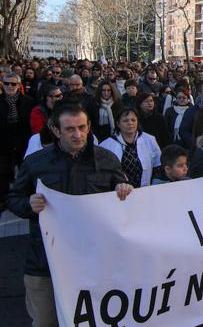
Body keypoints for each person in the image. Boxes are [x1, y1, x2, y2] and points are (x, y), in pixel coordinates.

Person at [7, 100, 133, 327]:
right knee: (46, 321)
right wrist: (28, 204)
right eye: (70, 129)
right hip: (45, 263)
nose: (78, 134)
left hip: (94, 261)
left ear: (89, 126)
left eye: (82, 127)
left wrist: (123, 190)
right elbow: (13, 199)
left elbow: (123, 192)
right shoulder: (36, 163)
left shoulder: (106, 159)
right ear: (56, 130)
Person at [100, 108, 162, 188]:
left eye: (133, 120)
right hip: (119, 193)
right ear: (118, 123)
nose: (130, 123)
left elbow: (158, 166)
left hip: (145, 191)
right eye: (125, 121)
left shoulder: (149, 139)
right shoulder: (106, 145)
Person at [1, 72, 35, 203]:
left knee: (25, 170)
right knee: (3, 171)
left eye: (13, 84)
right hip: (3, 141)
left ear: (18, 85)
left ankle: (25, 196)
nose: (9, 86)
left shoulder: (28, 101)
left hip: (23, 140)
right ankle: (4, 199)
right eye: (6, 83)